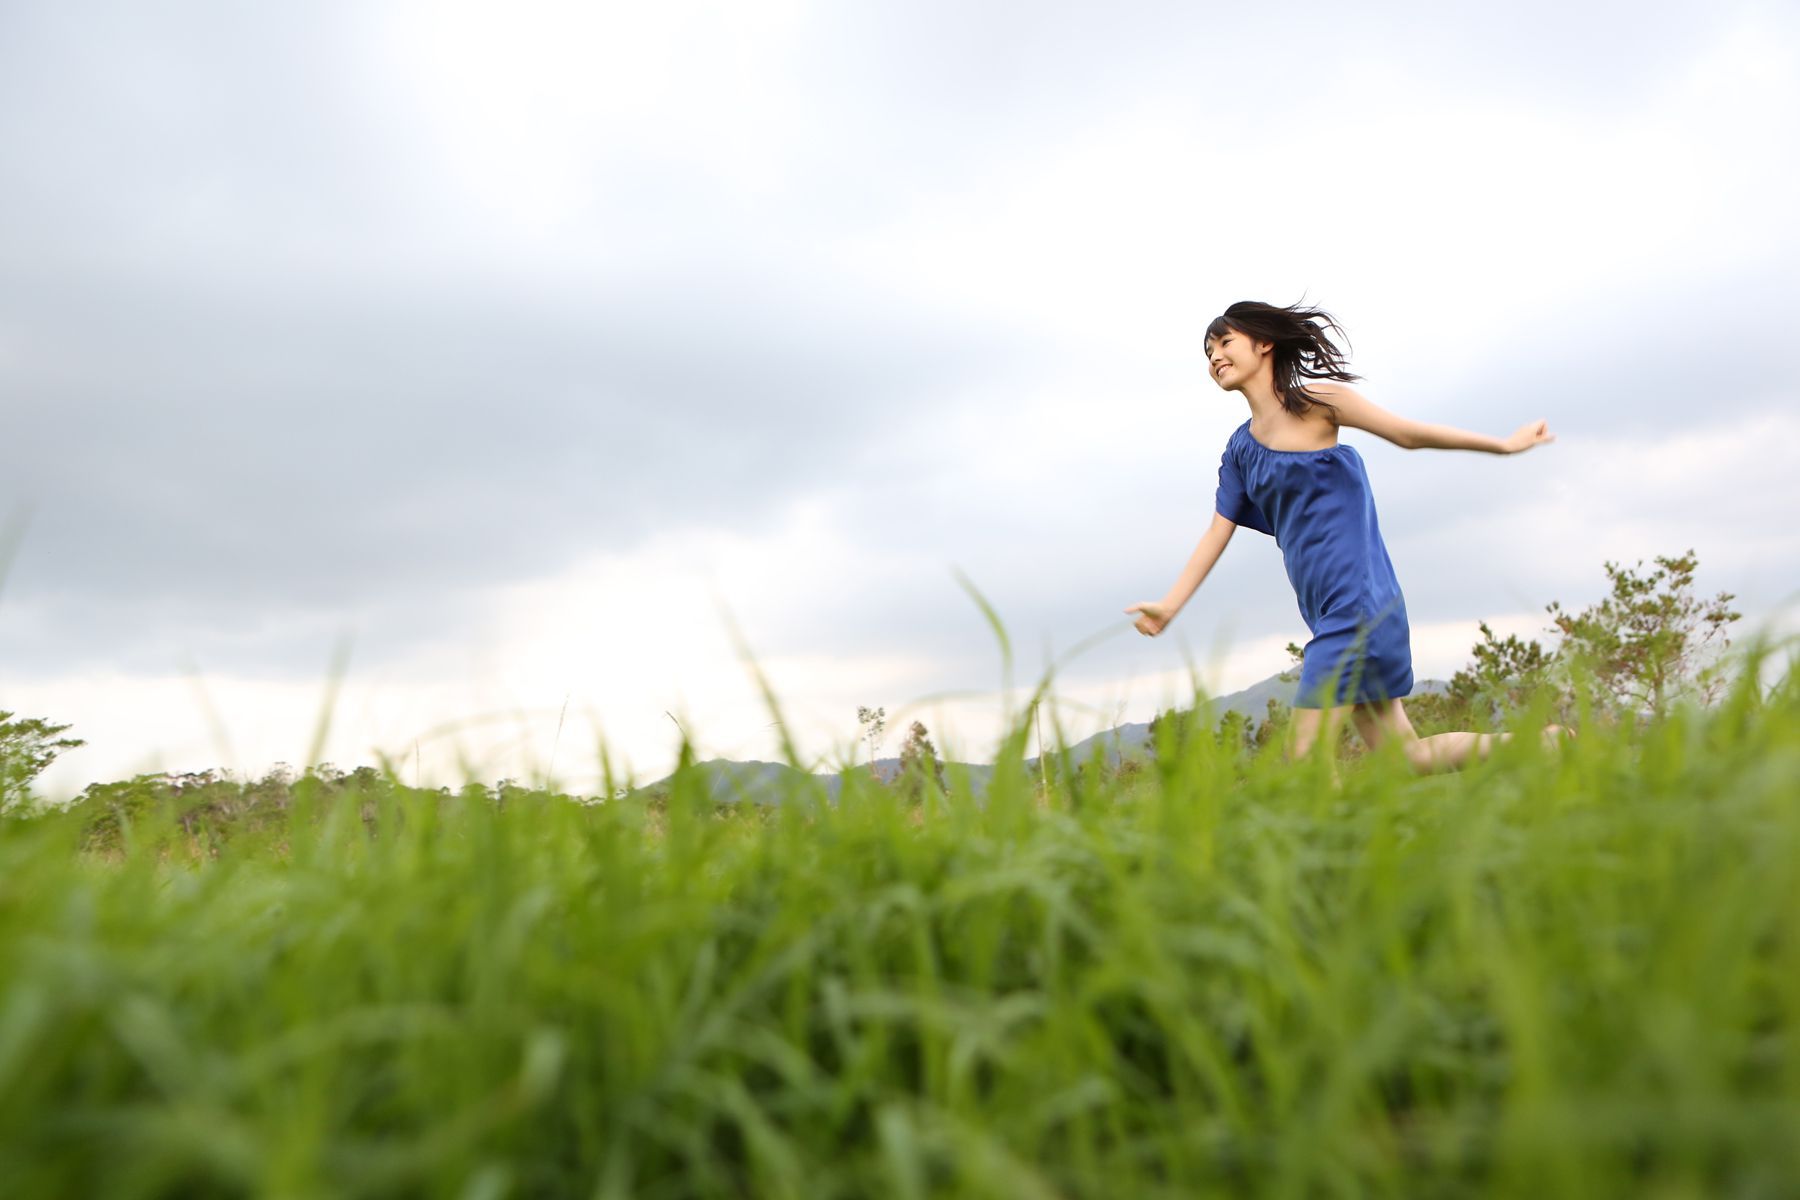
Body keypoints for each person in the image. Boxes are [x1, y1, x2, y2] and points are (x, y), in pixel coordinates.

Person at [1124, 300, 1562, 772]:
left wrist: (1505, 445)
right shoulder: (1239, 450)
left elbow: (1407, 434)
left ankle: (1327, 845)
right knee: (1405, 759)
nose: (1214, 357)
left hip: (1356, 605)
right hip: (1325, 608)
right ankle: (1542, 745)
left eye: (1225, 341)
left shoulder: (1317, 404)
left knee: (1305, 759)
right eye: (1207, 350)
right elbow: (1218, 529)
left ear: (1265, 343)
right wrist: (1170, 605)